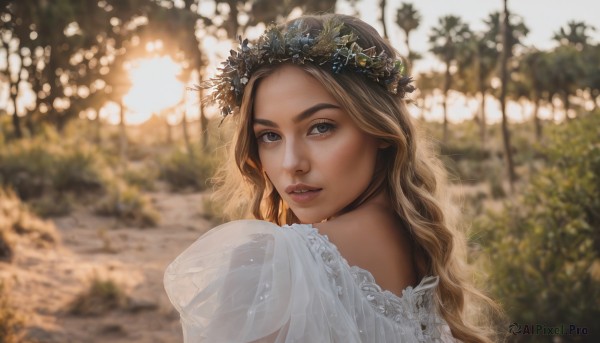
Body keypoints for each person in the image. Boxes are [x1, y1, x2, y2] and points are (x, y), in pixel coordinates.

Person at [164, 13, 494, 342]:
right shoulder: (421, 247)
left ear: (380, 127)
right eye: (269, 135)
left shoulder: (271, 262)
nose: (291, 163)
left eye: (321, 127)